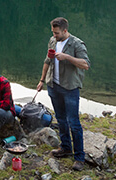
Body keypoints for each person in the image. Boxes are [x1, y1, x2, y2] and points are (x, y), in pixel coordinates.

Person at [36, 17, 91, 171]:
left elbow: (86, 65)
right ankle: (65, 148)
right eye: (53, 32)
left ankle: (79, 157)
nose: (54, 35)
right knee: (60, 119)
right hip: (53, 86)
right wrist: (41, 80)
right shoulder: (52, 41)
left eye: (57, 33)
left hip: (70, 89)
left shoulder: (77, 44)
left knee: (74, 123)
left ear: (65, 31)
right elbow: (47, 61)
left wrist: (66, 57)